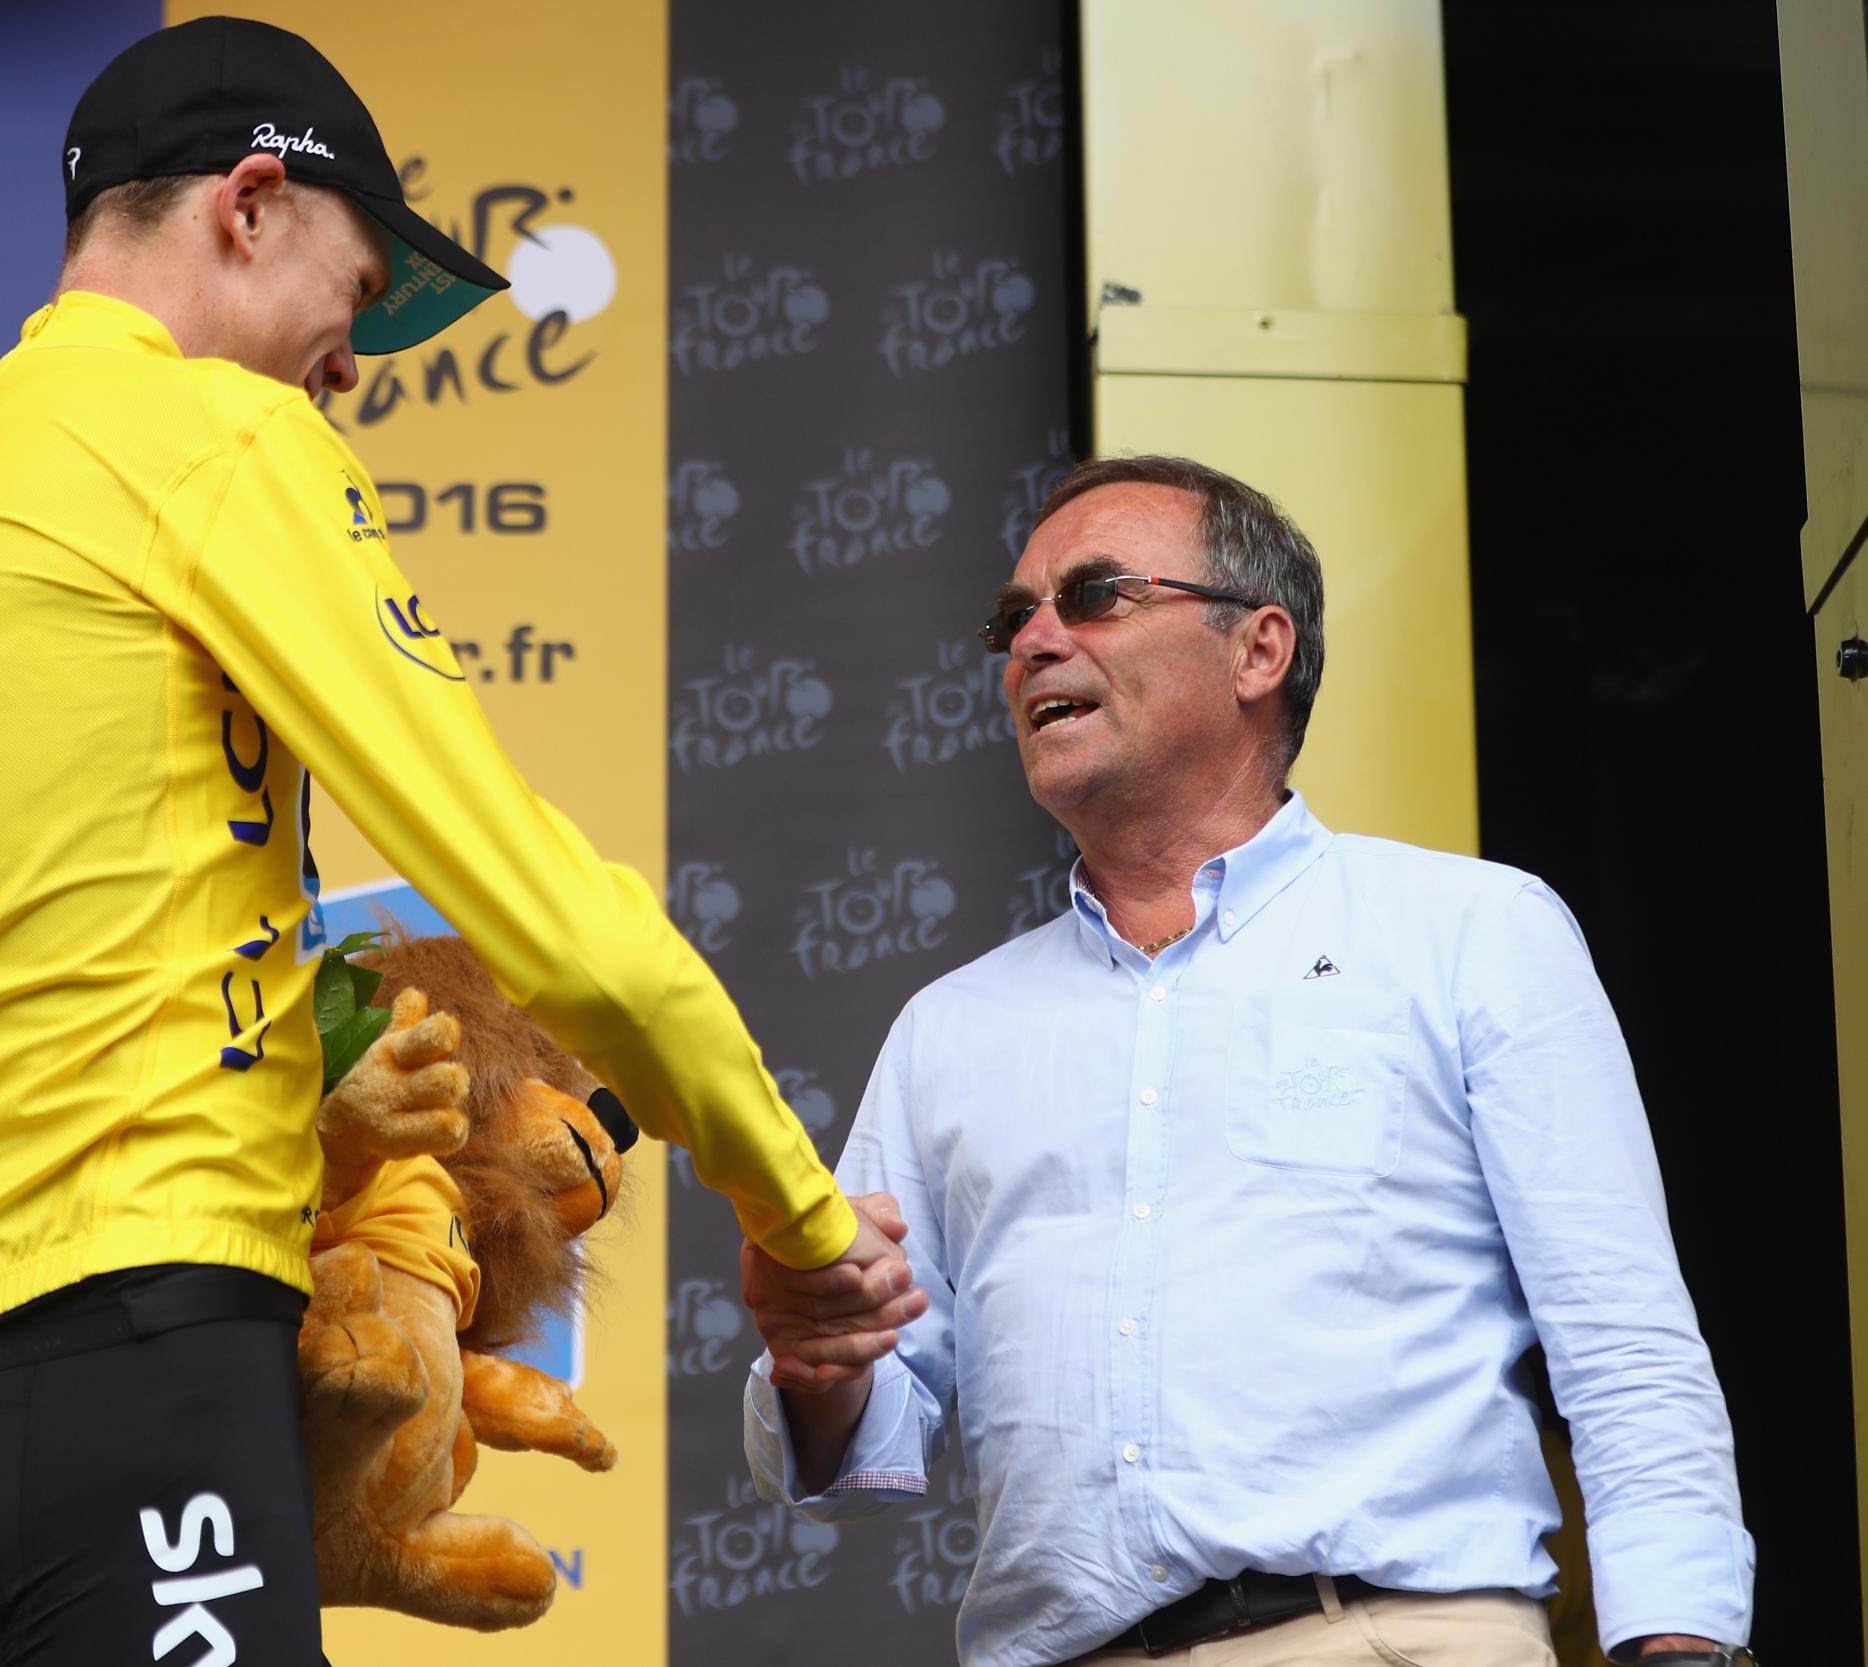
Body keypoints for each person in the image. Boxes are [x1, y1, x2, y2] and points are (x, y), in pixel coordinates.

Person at [0, 18, 916, 1666]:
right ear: (247, 205)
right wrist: (796, 1221)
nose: (354, 362)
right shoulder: (214, 445)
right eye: (360, 292)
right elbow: (554, 921)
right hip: (146, 1391)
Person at [739, 455, 1754, 1666]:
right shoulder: (948, 1027)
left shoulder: (1472, 930)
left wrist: (1680, 1644)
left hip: (1388, 1636)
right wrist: (816, 1362)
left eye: (1096, 593)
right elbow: (864, 1455)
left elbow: (1625, 1344)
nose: (1033, 643)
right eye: (1014, 619)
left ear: (1258, 650)